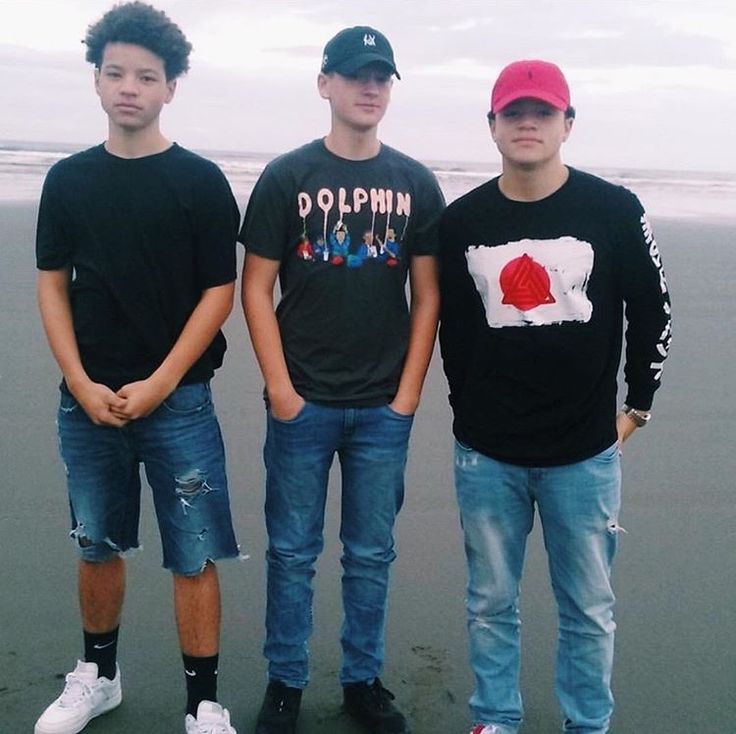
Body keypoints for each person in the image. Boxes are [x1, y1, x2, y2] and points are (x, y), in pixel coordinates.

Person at [438, 60, 672, 734]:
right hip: (487, 455)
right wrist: (469, 417)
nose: (528, 123)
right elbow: (450, 327)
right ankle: (495, 720)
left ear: (567, 123)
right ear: (492, 126)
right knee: (490, 602)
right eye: (514, 112)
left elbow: (653, 308)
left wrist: (639, 405)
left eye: (543, 112)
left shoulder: (613, 209)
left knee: (589, 607)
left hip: (585, 454)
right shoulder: (462, 221)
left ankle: (587, 724)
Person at [34, 3, 241, 733]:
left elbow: (221, 291)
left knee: (193, 552)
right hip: (87, 402)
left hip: (179, 402)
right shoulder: (68, 180)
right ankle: (98, 675)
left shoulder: (200, 181)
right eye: (116, 72)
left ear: (169, 87)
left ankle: (202, 703)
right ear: (96, 81)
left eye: (146, 76)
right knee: (96, 541)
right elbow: (52, 283)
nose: (130, 87)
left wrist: (160, 381)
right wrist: (79, 380)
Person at [239, 25, 445, 734]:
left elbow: (429, 294)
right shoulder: (287, 176)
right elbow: (255, 288)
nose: (369, 87)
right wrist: (279, 389)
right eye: (356, 74)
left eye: (381, 76)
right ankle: (286, 682)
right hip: (304, 402)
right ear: (325, 83)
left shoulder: (416, 182)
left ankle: (362, 680)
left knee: (371, 554)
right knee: (292, 553)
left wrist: (409, 392)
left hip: (384, 408)